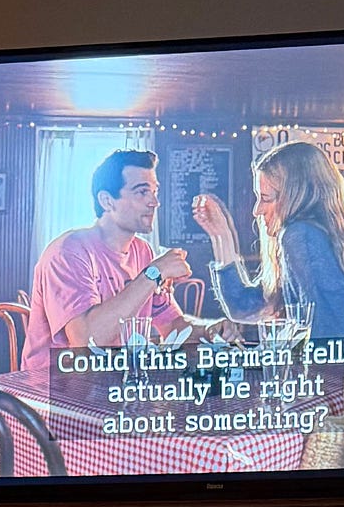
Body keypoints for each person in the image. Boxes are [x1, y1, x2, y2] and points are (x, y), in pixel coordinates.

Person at [20, 149, 229, 374]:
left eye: (155, 191)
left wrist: (210, 329)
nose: (155, 202)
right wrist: (154, 273)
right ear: (107, 201)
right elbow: (87, 343)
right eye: (142, 192)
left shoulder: (143, 252)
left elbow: (172, 325)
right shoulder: (68, 252)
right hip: (54, 388)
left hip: (113, 384)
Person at [194, 140, 344, 344]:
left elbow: (335, 338)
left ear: (297, 197)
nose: (256, 210)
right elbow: (244, 307)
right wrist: (221, 235)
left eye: (266, 199)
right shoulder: (324, 236)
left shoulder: (300, 236)